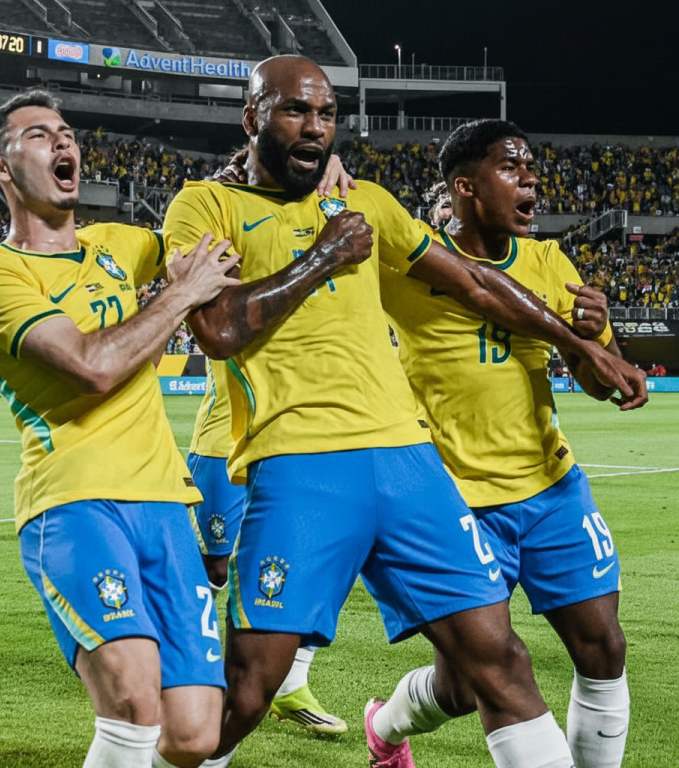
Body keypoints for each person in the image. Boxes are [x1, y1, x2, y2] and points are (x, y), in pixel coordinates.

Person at [163, 55, 646, 768]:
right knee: (247, 693)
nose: (315, 126)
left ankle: (389, 731)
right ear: (252, 118)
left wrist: (582, 346)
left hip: (411, 464)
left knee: (499, 664)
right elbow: (218, 329)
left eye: (326, 114)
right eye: (295, 110)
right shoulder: (205, 207)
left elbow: (477, 285)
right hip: (301, 464)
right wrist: (322, 258)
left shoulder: (366, 202)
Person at [0, 90, 241, 768]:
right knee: (134, 701)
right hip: (74, 501)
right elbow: (93, 367)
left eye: (66, 132)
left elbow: (209, 229)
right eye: (39, 135)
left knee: (194, 734)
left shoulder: (118, 244)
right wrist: (180, 293)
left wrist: (266, 169)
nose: (64, 142)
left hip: (166, 505)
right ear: (0, 167)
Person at [375, 118, 641, 768]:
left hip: (551, 489)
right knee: (470, 685)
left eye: (532, 169)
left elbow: (596, 381)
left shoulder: (548, 262)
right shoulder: (407, 265)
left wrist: (601, 337)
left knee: (604, 647)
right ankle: (385, 727)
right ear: (465, 186)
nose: (531, 181)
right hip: (455, 502)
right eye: (511, 168)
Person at [187, 357, 347, 735]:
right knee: (216, 568)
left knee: (302, 561)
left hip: (287, 447)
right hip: (222, 446)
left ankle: (291, 686)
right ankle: (183, 660)